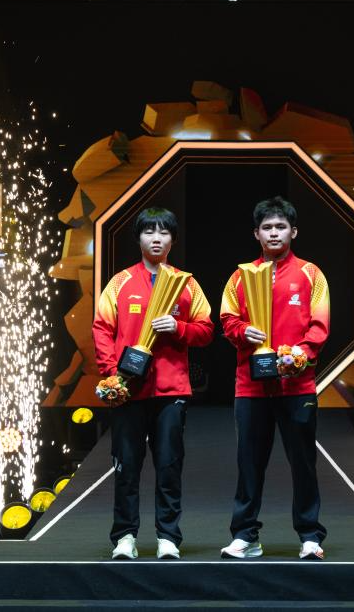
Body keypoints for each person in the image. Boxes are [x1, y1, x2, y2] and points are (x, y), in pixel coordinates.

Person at [92, 207, 214, 560]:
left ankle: (168, 537)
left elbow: (206, 330)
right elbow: (102, 328)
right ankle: (125, 537)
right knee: (126, 466)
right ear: (139, 238)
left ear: (173, 239)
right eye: (149, 231)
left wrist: (179, 328)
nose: (156, 238)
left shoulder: (186, 284)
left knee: (169, 466)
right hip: (129, 391)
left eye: (164, 232)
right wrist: (112, 373)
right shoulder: (120, 282)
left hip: (171, 391)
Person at [219, 196, 330, 560]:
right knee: (249, 464)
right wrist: (242, 331)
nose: (274, 233)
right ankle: (245, 536)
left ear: (293, 232)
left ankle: (310, 536)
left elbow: (319, 325)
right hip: (251, 386)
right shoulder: (240, 276)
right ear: (256, 234)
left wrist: (301, 355)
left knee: (303, 463)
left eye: (281, 226)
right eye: (267, 227)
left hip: (297, 386)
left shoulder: (311, 274)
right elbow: (227, 319)